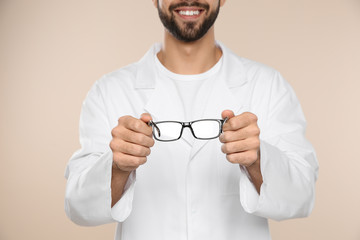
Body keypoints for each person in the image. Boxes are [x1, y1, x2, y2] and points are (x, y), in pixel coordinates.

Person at [64, 0, 319, 239]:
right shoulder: (110, 91)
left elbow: (302, 197)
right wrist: (116, 168)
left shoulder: (267, 86)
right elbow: (77, 206)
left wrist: (259, 160)